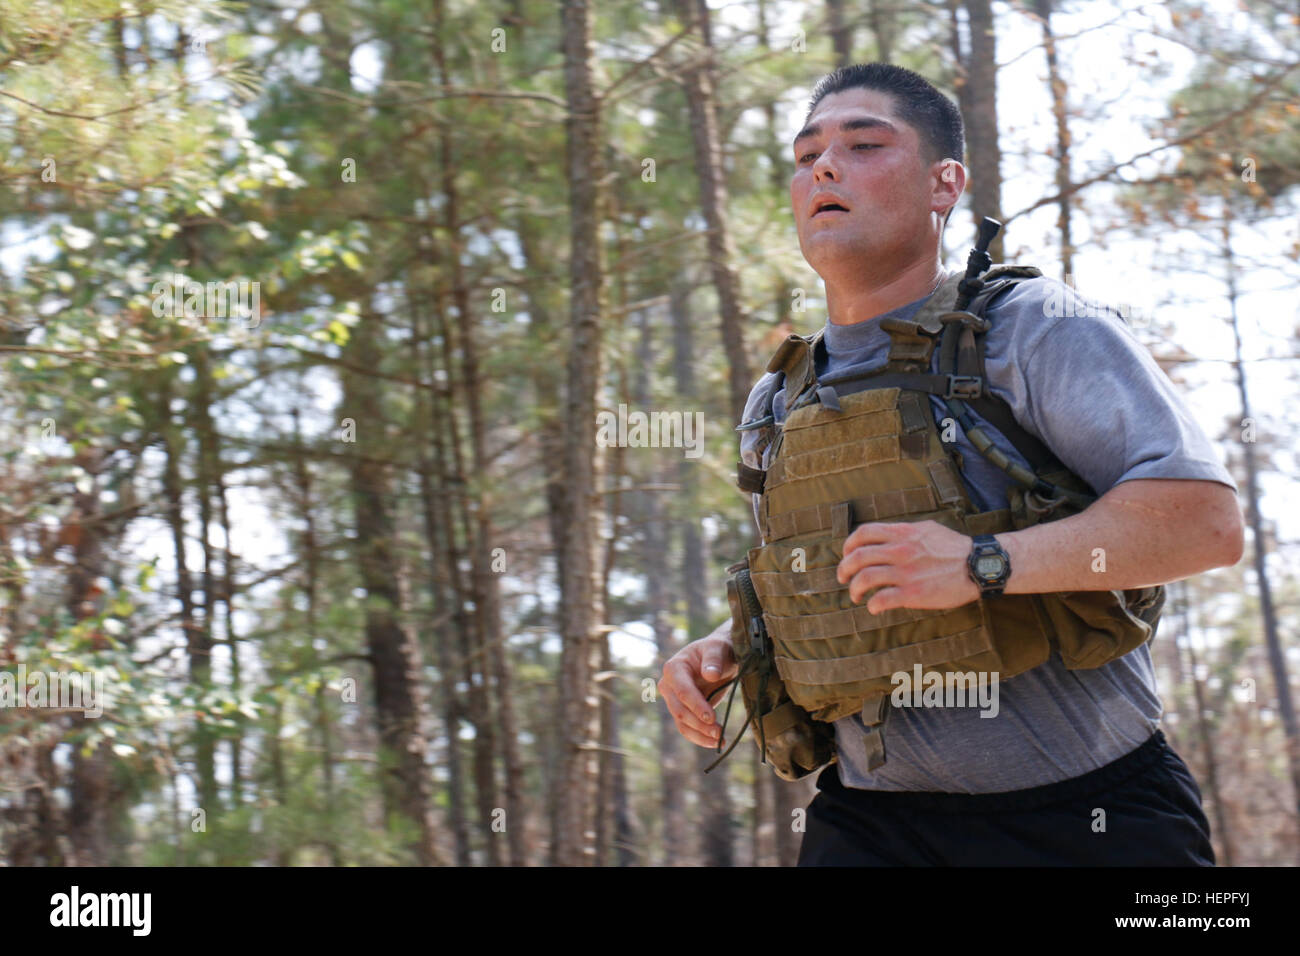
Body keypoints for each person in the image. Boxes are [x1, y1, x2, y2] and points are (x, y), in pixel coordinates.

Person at [657, 63, 1244, 866]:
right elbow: (835, 573)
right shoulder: (778, 394)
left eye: (864, 144)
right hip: (868, 827)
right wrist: (730, 640)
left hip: (1090, 816)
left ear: (945, 184)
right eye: (806, 156)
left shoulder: (1035, 329)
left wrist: (983, 564)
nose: (824, 166)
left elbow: (1205, 524)